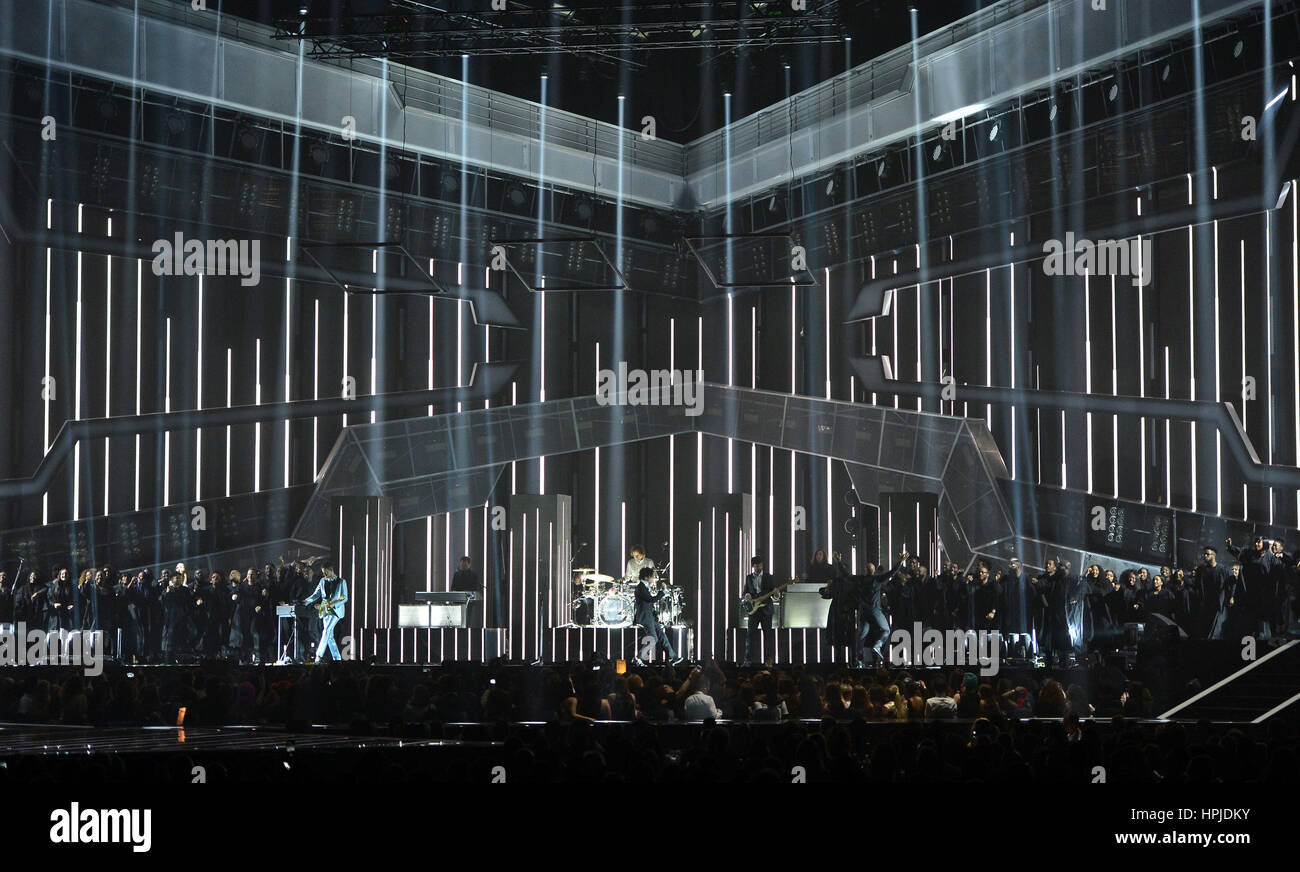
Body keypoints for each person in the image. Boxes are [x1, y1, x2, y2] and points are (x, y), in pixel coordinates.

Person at [632, 566, 680, 665]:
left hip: (650, 616)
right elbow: (650, 600)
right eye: (652, 577)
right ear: (646, 577)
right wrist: (662, 591)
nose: (653, 579)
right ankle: (638, 658)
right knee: (653, 639)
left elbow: (649, 603)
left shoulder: (645, 587)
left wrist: (655, 613)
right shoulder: (640, 587)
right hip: (645, 617)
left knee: (662, 635)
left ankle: (672, 657)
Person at [303, 562, 348, 663]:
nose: (325, 575)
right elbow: (316, 594)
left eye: (326, 573)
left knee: (326, 631)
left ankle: (318, 656)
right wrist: (306, 601)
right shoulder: (322, 581)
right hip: (325, 609)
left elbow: (344, 597)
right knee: (329, 635)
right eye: (323, 573)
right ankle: (337, 658)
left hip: (336, 610)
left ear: (331, 571)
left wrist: (334, 604)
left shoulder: (341, 582)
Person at [741, 556, 778, 666]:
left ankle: (769, 660)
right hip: (754, 610)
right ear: (753, 566)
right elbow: (745, 592)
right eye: (756, 565)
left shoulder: (768, 577)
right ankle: (748, 660)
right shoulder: (748, 578)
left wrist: (776, 594)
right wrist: (747, 596)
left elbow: (774, 594)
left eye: (760, 565)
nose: (758, 567)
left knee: (768, 636)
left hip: (766, 609)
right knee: (750, 636)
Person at [450, 555, 482, 627]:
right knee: (457, 620)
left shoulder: (473, 575)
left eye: (464, 564)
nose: (462, 566)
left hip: (468, 601)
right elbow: (453, 587)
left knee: (467, 619)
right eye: (461, 564)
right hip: (457, 600)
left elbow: (475, 588)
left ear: (469, 564)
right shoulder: (457, 574)